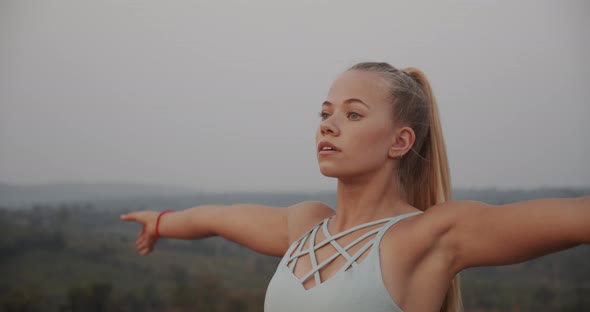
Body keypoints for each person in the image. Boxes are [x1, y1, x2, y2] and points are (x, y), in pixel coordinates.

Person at [120, 62, 590, 312]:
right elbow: (217, 218)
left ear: (400, 141)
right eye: (325, 113)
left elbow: (575, 216)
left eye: (353, 113)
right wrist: (160, 222)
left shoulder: (427, 237)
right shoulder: (305, 225)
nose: (329, 125)